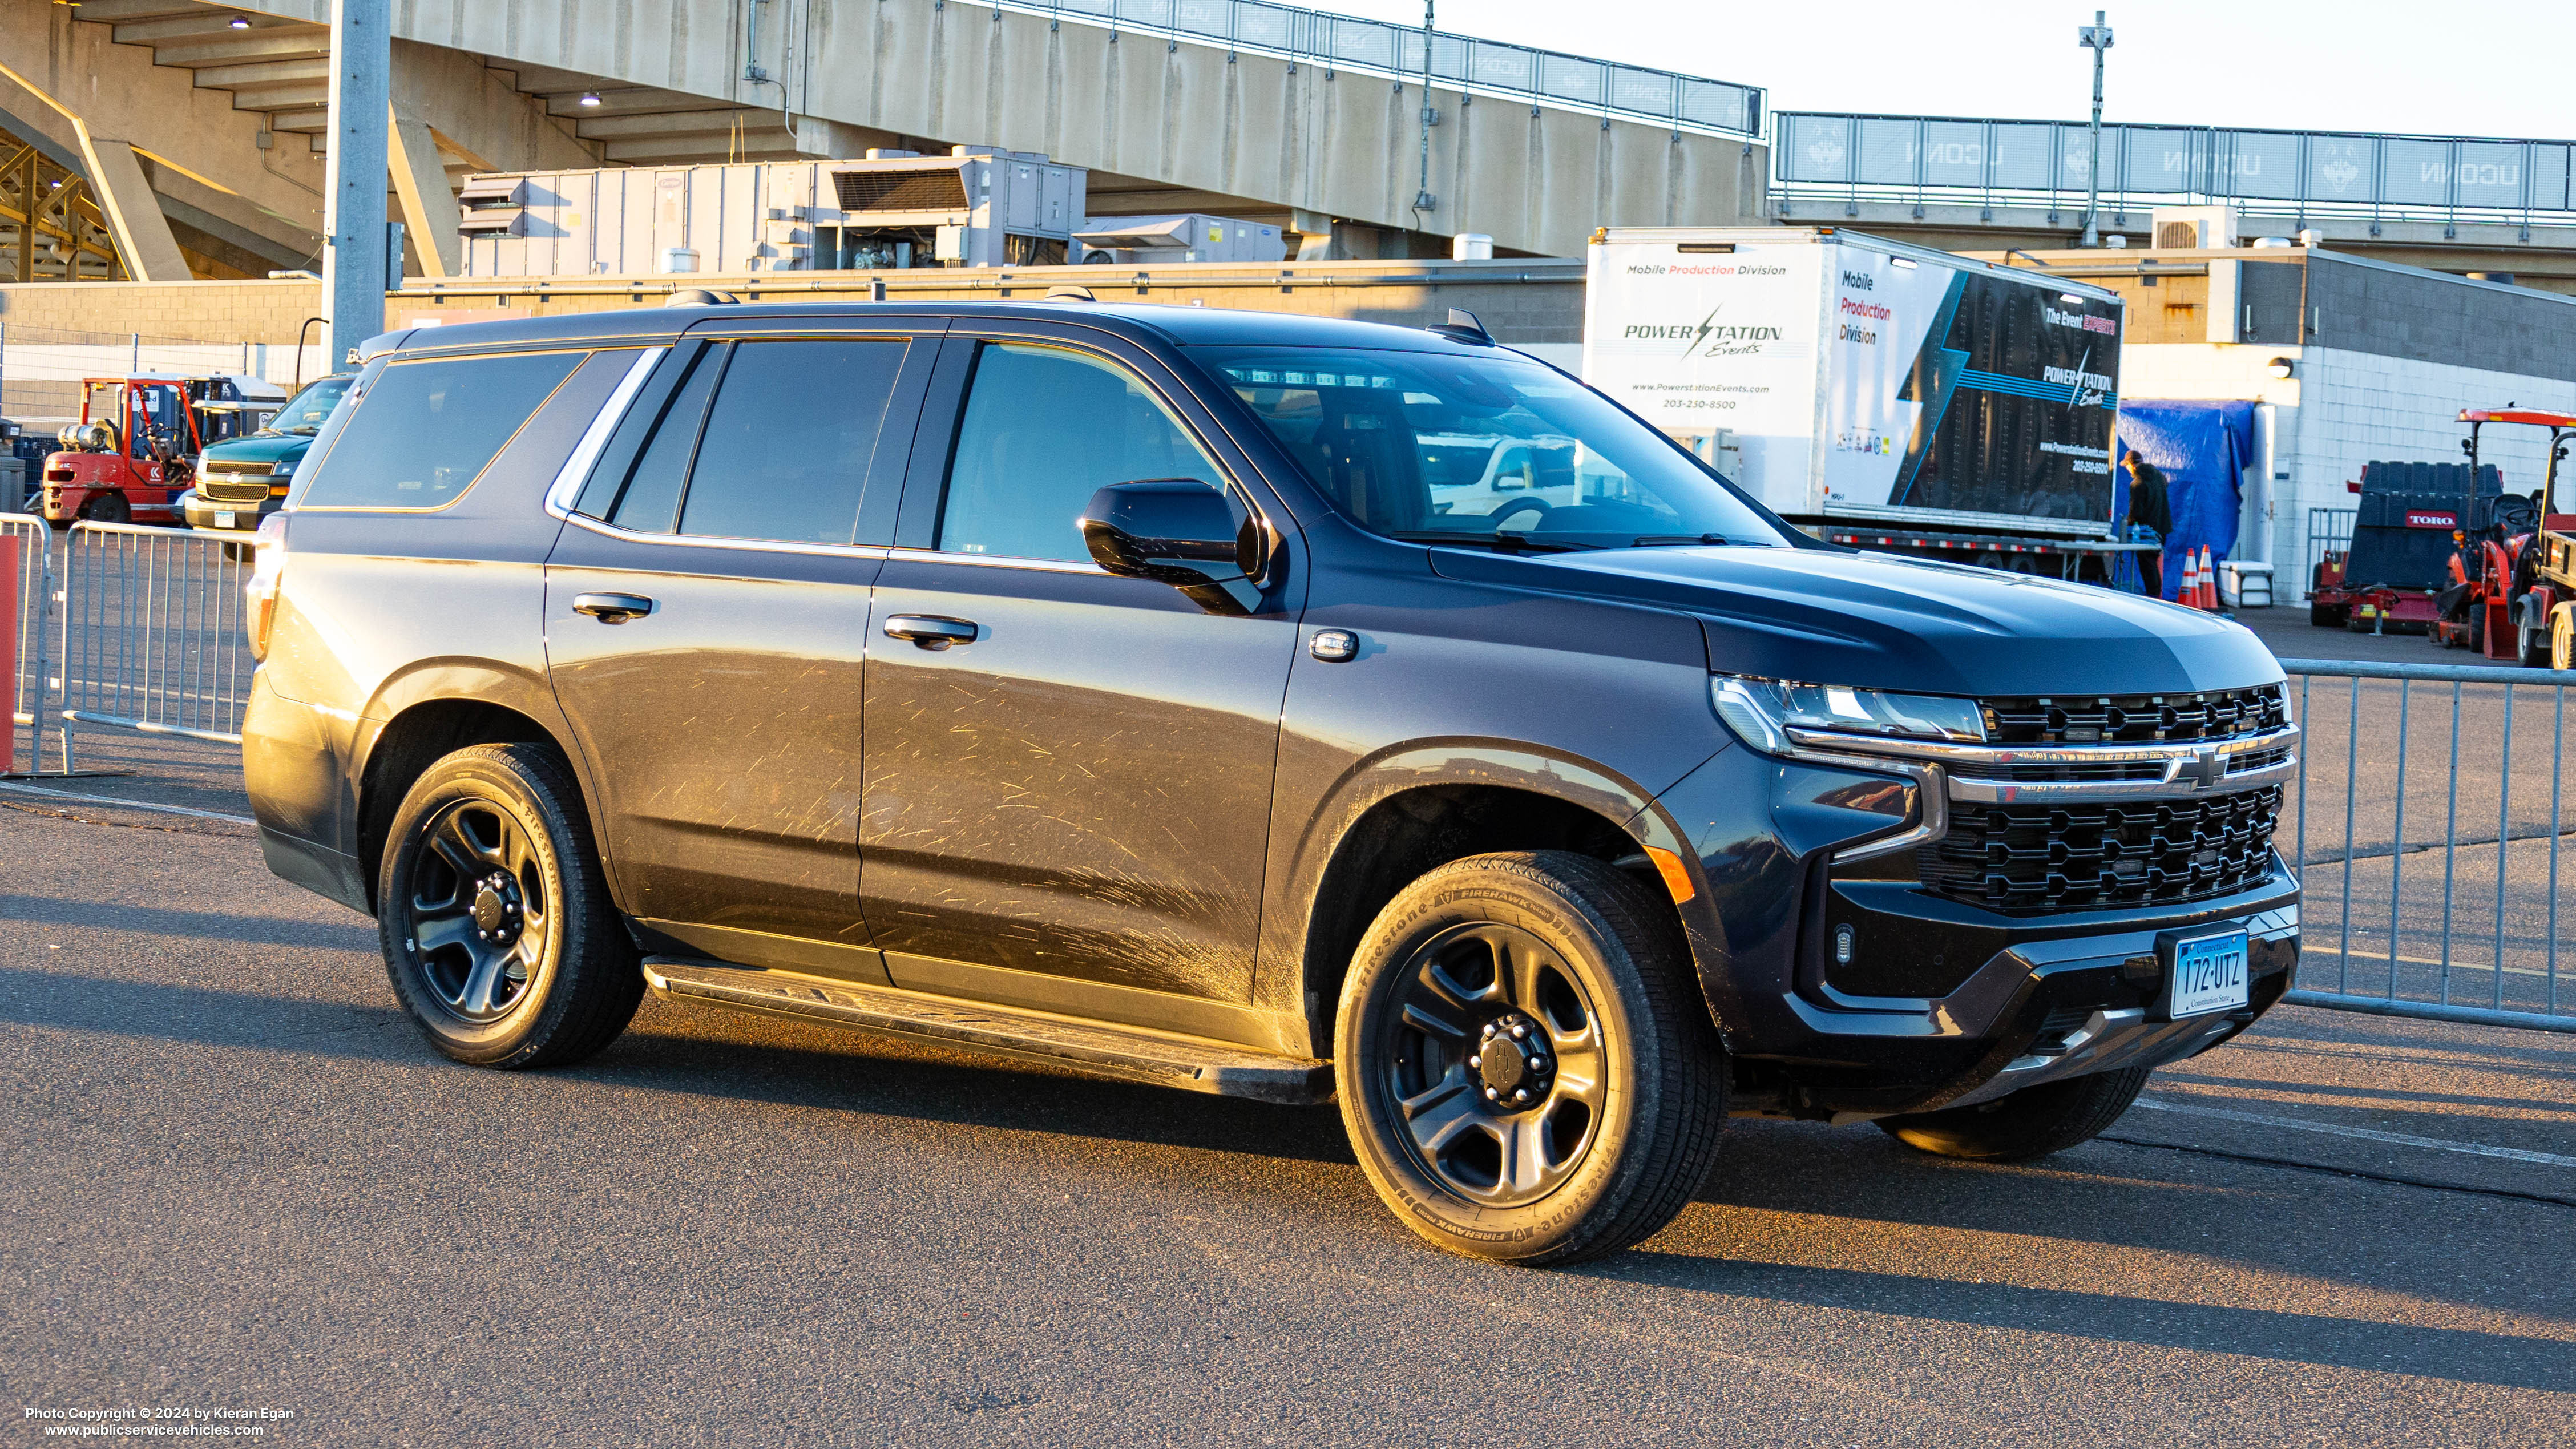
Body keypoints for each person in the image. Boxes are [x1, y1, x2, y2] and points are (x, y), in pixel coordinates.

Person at [2122, 450, 2173, 598]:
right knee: (2153, 564)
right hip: (2163, 529)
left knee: (2148, 566)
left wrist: (2129, 524)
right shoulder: (2159, 476)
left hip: (2147, 533)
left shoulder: (2137, 484)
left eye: (2127, 466)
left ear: (2132, 465)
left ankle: (2153, 599)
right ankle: (2156, 596)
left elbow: (2136, 512)